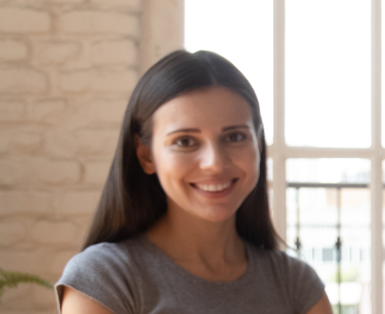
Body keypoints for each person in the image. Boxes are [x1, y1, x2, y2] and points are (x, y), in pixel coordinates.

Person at [55, 50, 332, 314]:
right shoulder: (105, 280)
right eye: (185, 141)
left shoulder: (296, 284)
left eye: (235, 137)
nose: (214, 162)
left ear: (258, 145)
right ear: (146, 155)